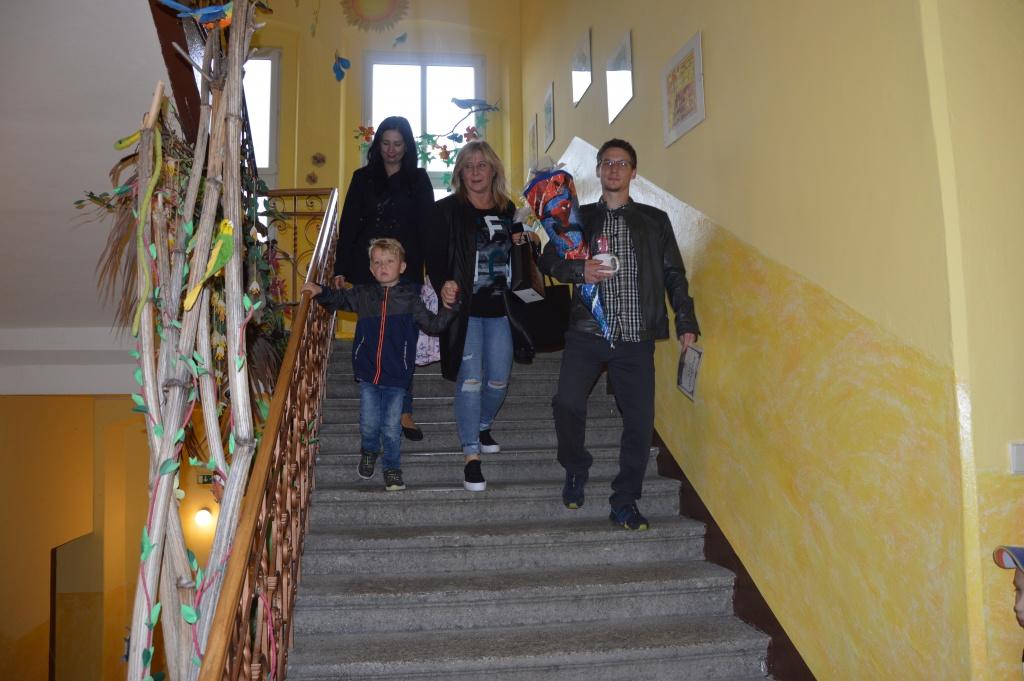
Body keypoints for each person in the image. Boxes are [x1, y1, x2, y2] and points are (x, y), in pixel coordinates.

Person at [539, 138, 700, 530]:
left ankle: (625, 500)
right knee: (567, 404)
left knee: (640, 424)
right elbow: (548, 258)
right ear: (597, 169)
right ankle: (576, 466)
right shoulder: (578, 218)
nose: (614, 169)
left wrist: (686, 321)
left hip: (635, 338)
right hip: (587, 332)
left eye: (622, 163)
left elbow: (674, 274)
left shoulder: (654, 221)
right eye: (607, 162)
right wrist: (579, 271)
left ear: (634, 172)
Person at [306, 238, 459, 491]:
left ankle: (392, 467)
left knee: (390, 427)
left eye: (389, 261)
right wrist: (320, 290)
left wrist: (450, 307)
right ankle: (369, 451)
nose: (383, 266)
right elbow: (339, 298)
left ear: (402, 266)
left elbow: (434, 325)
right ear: (371, 268)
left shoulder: (410, 299)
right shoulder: (364, 295)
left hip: (397, 376)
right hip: (368, 373)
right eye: (377, 262)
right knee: (368, 424)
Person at [426, 140, 529, 492]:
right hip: (465, 309)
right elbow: (435, 258)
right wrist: (443, 283)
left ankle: (483, 425)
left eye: (481, 165)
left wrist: (526, 241)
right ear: (459, 173)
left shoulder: (508, 209)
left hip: (502, 309)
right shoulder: (446, 211)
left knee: (498, 380)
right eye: (468, 166)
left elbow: (519, 252)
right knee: (470, 381)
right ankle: (471, 455)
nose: (475, 172)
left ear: (493, 170)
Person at [334, 116, 435, 441]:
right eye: (386, 143)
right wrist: (339, 268)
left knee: (402, 342)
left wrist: (435, 272)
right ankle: (373, 405)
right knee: (371, 340)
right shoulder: (362, 178)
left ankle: (404, 410)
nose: (391, 150)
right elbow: (349, 225)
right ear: (377, 145)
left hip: (406, 272)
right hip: (369, 271)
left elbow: (428, 228)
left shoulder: (418, 179)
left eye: (397, 144)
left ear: (407, 146)